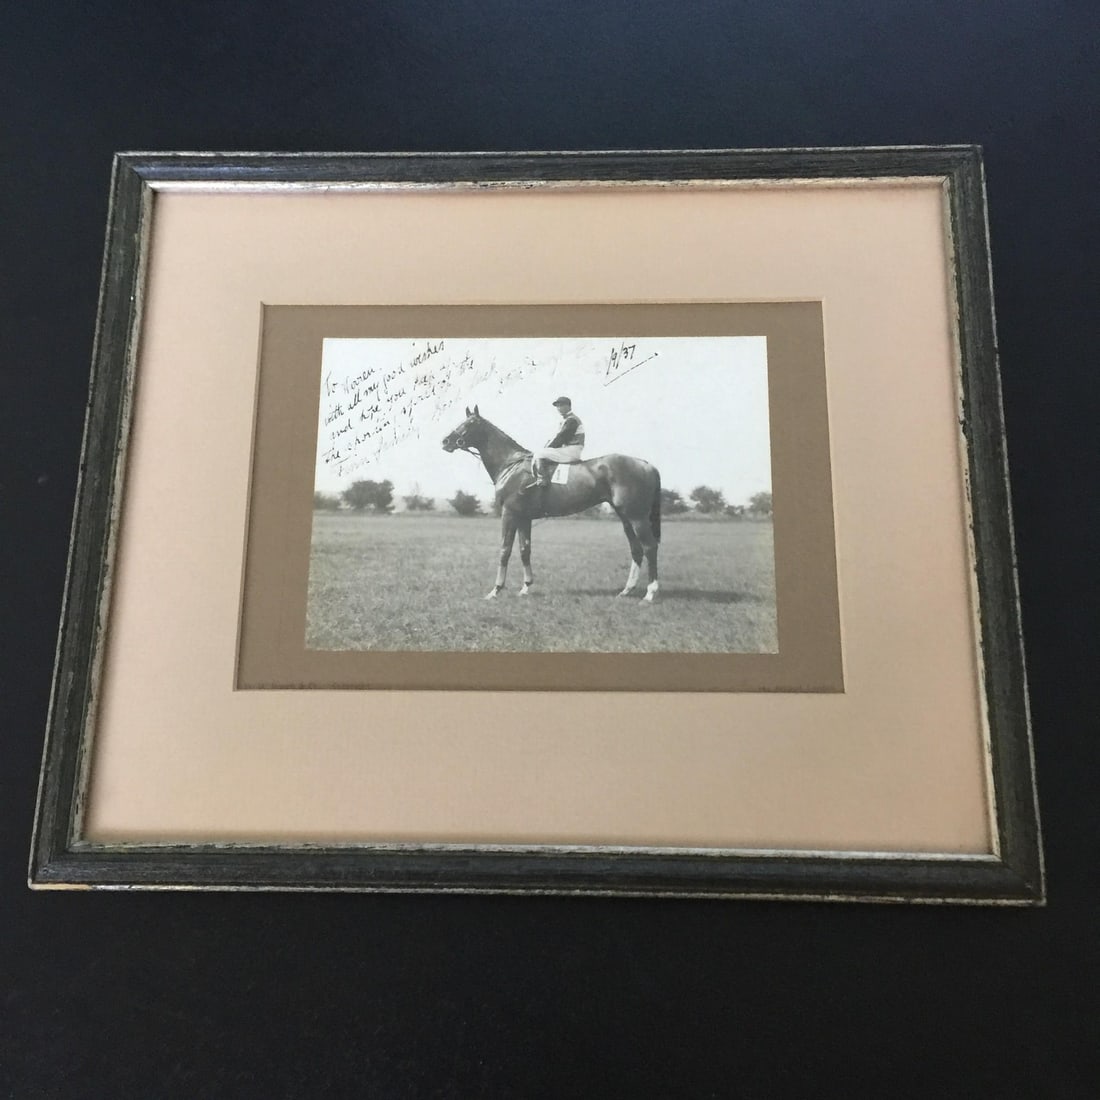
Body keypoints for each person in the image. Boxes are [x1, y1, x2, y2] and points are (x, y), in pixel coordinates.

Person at [526, 396, 585, 489]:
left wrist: (548, 448)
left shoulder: (572, 420)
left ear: (568, 406)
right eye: (557, 406)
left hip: (572, 450)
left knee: (539, 454)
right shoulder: (566, 419)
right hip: (569, 449)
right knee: (543, 452)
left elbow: (561, 438)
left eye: (561, 405)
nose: (558, 408)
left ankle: (542, 479)